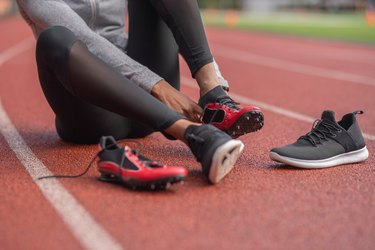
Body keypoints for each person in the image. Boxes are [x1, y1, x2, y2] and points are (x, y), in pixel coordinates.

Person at [15, 0, 264, 185]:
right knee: (53, 38)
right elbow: (85, 40)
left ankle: (214, 94)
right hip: (92, 112)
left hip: (144, 100)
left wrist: (157, 85)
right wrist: (157, 86)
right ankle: (195, 135)